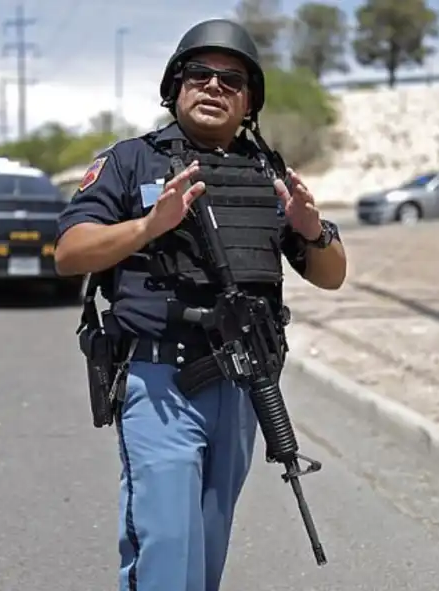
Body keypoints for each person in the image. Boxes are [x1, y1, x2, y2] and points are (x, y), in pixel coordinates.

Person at [55, 18, 347, 591]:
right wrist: (149, 225)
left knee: (207, 552)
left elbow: (332, 275)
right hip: (159, 382)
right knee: (166, 547)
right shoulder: (130, 161)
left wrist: (312, 231)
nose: (215, 87)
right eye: (201, 74)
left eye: (232, 81)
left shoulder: (267, 174)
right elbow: (70, 252)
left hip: (240, 387)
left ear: (249, 102)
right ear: (176, 86)